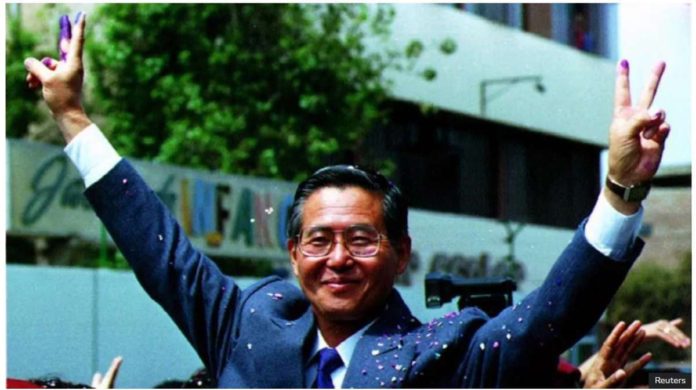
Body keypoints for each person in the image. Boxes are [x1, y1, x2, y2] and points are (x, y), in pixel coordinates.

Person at [24, 13, 672, 387]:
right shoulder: (247, 326)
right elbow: (154, 245)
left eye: (362, 240)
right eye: (319, 240)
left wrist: (621, 188)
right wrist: (74, 118)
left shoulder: (445, 356)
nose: (338, 258)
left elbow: (548, 317)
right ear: (293, 252)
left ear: (400, 255)